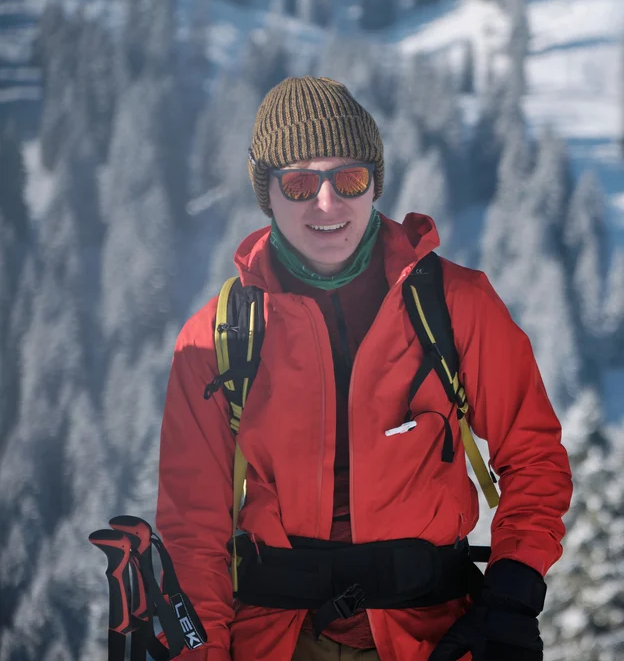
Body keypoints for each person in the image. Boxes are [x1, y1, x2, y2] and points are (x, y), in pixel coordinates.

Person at [155, 76, 572, 661]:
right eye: (299, 182)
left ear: (374, 181)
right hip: (277, 640)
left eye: (347, 178)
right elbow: (192, 529)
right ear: (266, 193)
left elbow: (533, 457)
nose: (327, 204)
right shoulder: (220, 336)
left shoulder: (455, 305)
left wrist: (512, 591)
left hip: (435, 637)